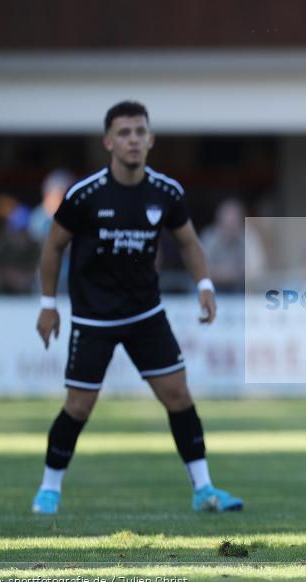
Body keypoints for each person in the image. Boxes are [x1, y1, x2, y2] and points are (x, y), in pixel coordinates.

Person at [31, 101, 242, 514]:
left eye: (139, 132)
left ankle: (204, 491)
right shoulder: (84, 194)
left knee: (179, 395)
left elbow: (189, 243)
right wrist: (47, 305)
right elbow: (53, 247)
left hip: (146, 314)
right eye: (124, 133)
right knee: (78, 406)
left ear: (151, 139)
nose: (133, 140)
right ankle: (48, 490)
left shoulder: (166, 192)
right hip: (94, 317)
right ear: (109, 141)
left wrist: (204, 285)